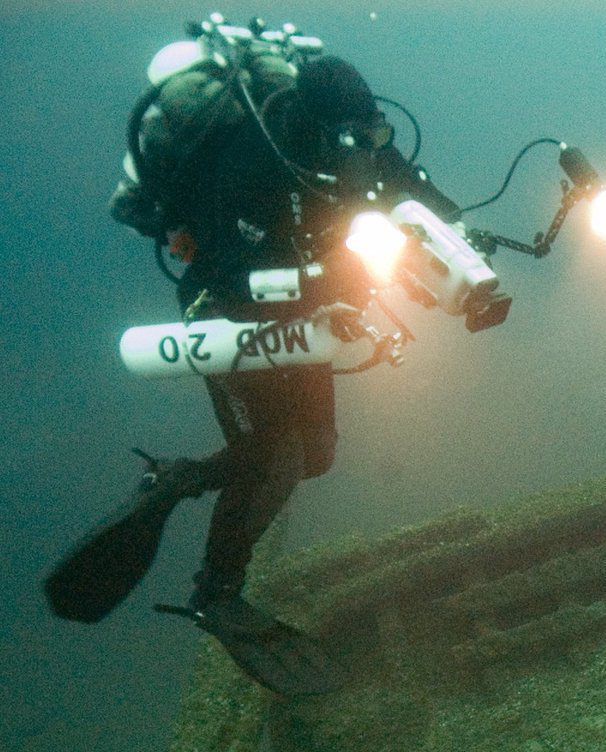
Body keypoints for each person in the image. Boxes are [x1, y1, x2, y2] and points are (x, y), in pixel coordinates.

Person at [46, 22, 462, 693]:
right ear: (307, 122)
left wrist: (457, 232)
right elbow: (234, 276)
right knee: (275, 454)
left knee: (316, 453)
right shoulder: (253, 155)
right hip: (228, 315)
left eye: (368, 135)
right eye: (346, 137)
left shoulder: (354, 135)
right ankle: (217, 589)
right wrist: (332, 282)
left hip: (307, 320)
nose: (357, 151)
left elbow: (406, 190)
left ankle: (180, 479)